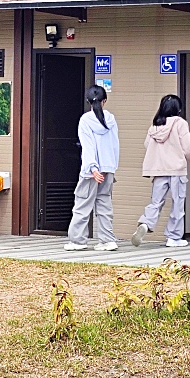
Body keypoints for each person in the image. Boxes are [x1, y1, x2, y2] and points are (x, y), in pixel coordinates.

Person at [133, 94, 190, 248]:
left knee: (156, 202)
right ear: (178, 109)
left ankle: (146, 224)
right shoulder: (180, 123)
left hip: (159, 170)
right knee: (177, 204)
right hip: (177, 169)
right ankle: (174, 237)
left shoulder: (155, 125)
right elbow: (187, 148)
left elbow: (147, 145)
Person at [65, 85, 120, 252]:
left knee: (82, 204)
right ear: (105, 101)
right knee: (104, 204)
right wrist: (109, 167)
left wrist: (93, 168)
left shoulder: (86, 120)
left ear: (88, 101)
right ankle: (107, 240)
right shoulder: (111, 119)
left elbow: (88, 147)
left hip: (92, 171)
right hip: (108, 168)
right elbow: (115, 145)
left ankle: (77, 241)